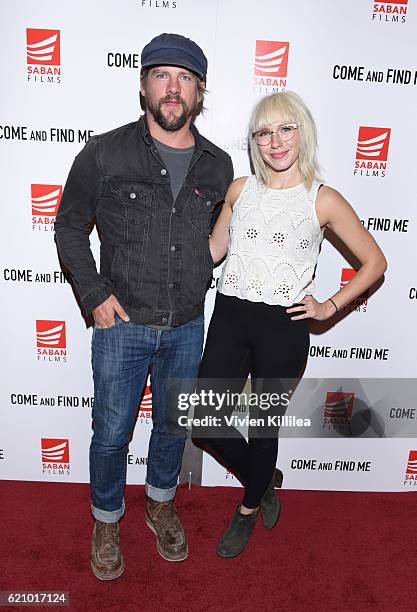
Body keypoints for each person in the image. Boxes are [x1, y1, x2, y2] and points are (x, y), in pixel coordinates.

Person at [54, 33, 233, 579]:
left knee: (173, 428)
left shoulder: (218, 166)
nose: (172, 88)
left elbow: (218, 239)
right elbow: (67, 226)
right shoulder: (105, 152)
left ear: (200, 92)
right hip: (121, 324)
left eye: (185, 78)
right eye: (161, 75)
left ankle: (159, 503)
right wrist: (94, 296)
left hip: (185, 325)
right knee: (111, 431)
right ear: (143, 85)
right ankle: (107, 518)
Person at [192, 91, 387, 558]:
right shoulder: (239, 191)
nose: (274, 141)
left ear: (302, 132)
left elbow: (375, 261)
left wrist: (329, 306)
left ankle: (246, 508)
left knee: (262, 428)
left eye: (285, 129)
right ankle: (264, 482)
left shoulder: (323, 199)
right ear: (255, 142)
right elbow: (212, 253)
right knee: (205, 421)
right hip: (230, 316)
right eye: (263, 132)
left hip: (283, 326)